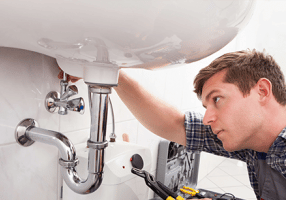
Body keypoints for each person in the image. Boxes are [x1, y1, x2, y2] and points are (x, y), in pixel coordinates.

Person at [59, 49, 286, 199]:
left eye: (217, 99)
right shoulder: (254, 145)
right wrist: (109, 73)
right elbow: (177, 125)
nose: (208, 118)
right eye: (206, 107)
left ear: (263, 91)